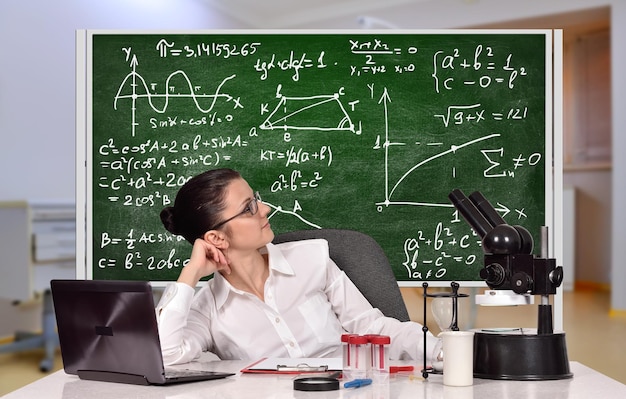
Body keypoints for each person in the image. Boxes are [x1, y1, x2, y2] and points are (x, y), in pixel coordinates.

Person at [156, 168, 436, 365]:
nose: (265, 209)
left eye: (256, 199)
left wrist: (440, 351)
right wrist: (189, 274)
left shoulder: (311, 259)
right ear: (216, 238)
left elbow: (372, 326)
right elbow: (166, 355)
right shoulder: (207, 308)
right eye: (249, 208)